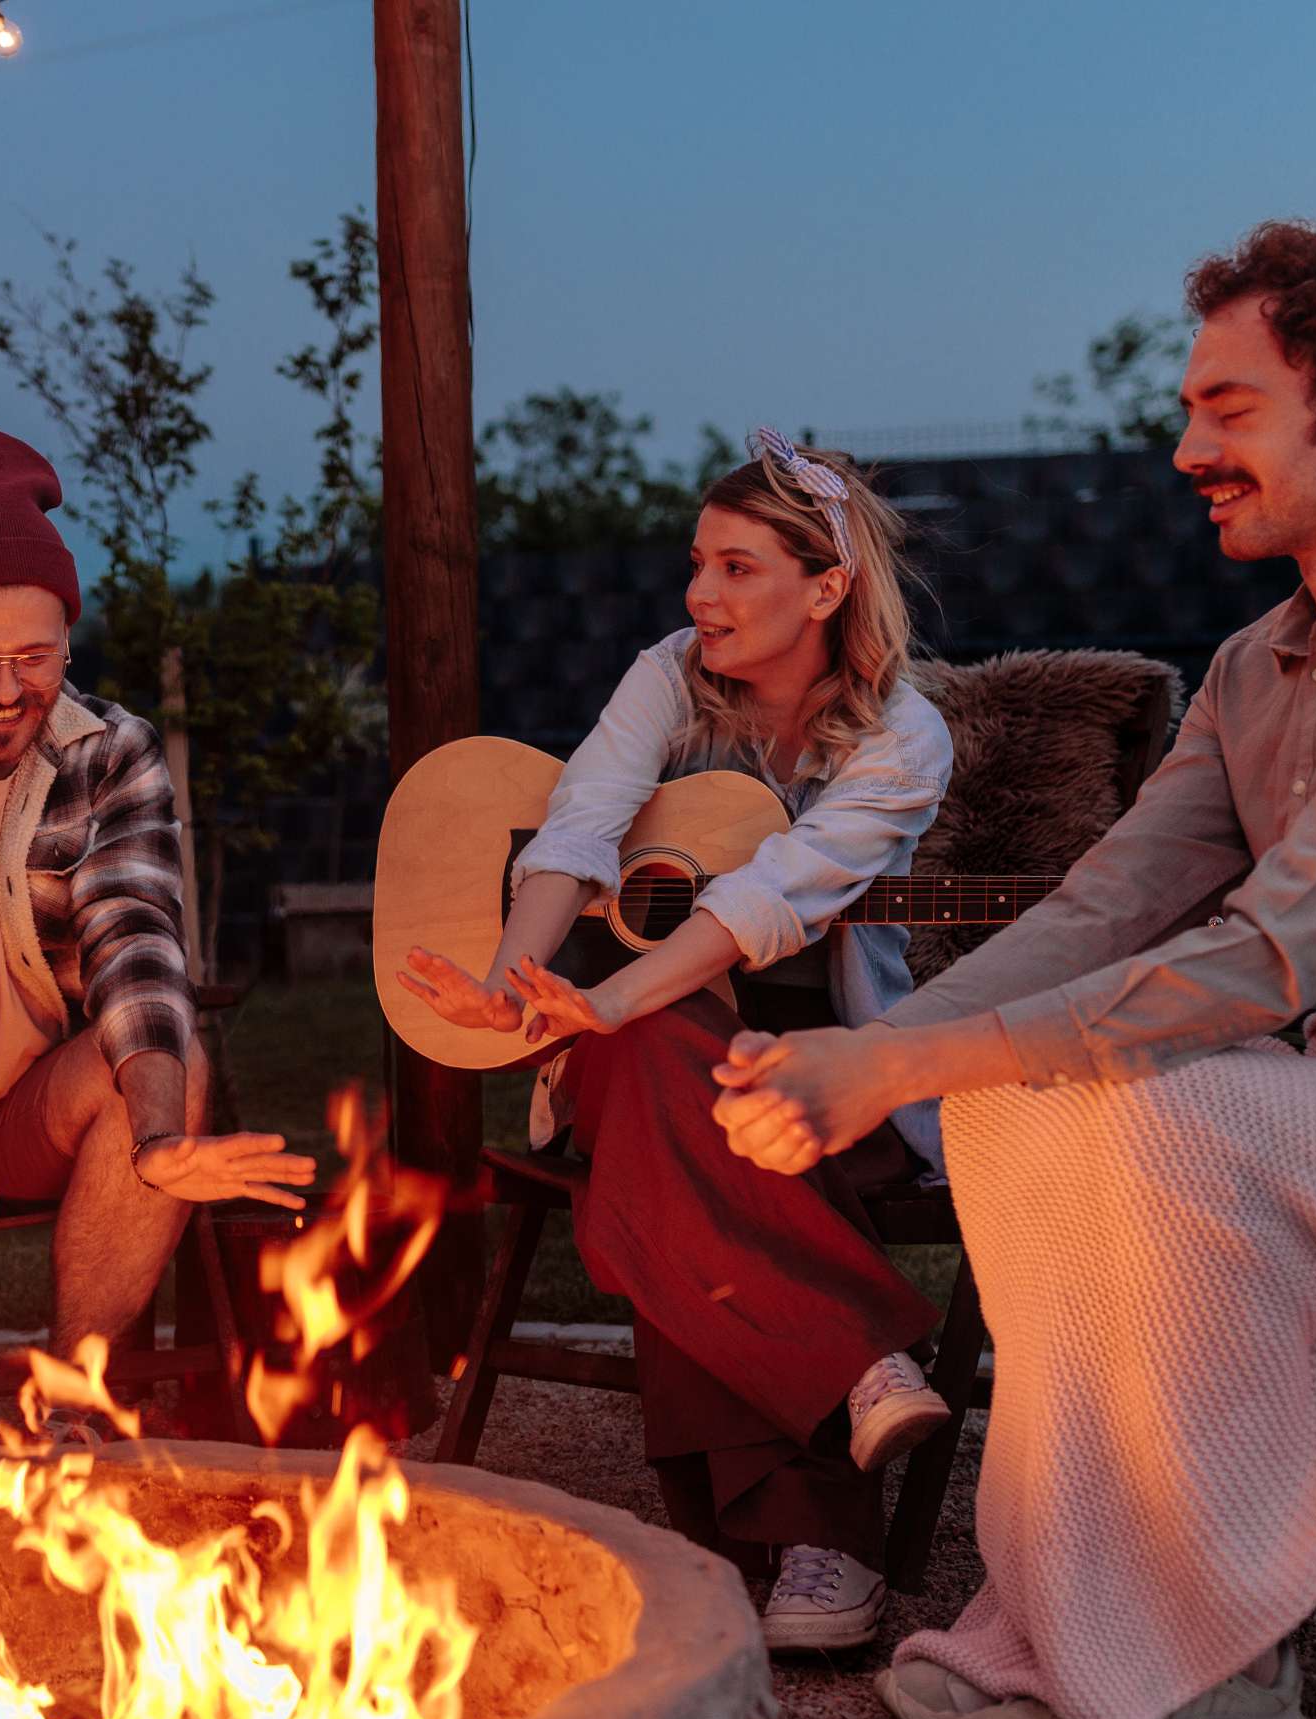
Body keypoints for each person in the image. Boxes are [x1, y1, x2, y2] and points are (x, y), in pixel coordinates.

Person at [712, 216, 1316, 1719]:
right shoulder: (1253, 666)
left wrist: (898, 1054)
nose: (1184, 444)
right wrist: (895, 1054)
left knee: (1158, 1101)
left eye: (1231, 406)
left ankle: (1222, 1688)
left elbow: (1258, 962)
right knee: (1023, 1101)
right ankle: (1073, 1630)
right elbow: (1103, 909)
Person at [399, 429, 955, 1649]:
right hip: (619, 1048)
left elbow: (771, 896)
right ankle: (845, 1408)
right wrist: (517, 983)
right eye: (698, 564)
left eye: (739, 569)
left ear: (827, 587)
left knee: (681, 1138)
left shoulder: (902, 741)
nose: (701, 594)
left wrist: (613, 999)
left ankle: (759, 1533)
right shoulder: (668, 674)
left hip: (826, 1073)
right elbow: (580, 824)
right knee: (660, 1061)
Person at [0, 428, 315, 1450]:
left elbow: (139, 950)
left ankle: (73, 1411)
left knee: (167, 1059)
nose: (7, 688)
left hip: (28, 1106)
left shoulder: (114, 752)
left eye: (35, 657)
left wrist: (161, 1135)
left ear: (68, 644)